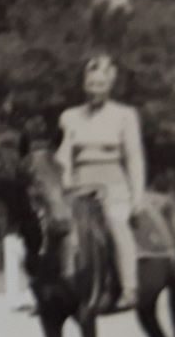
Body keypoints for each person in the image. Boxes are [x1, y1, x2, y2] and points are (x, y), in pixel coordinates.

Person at [56, 53, 145, 310]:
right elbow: (63, 158)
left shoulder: (124, 115)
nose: (95, 90)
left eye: (101, 85)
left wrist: (136, 196)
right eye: (91, 84)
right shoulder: (70, 116)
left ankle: (130, 287)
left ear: (110, 86)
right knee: (57, 229)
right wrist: (65, 182)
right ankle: (53, 288)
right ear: (84, 85)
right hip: (80, 185)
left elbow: (134, 158)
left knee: (116, 224)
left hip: (113, 186)